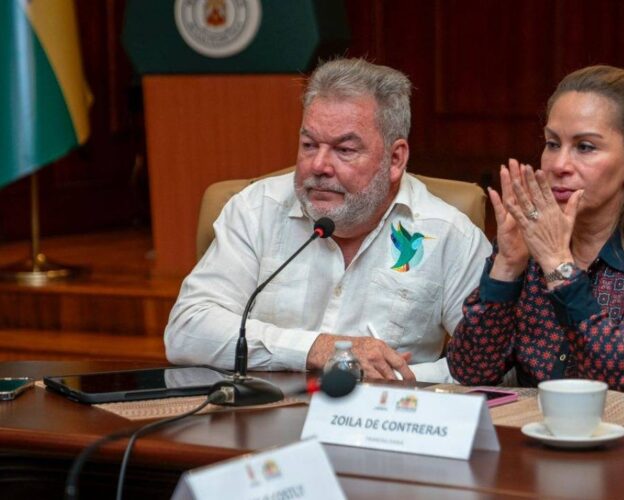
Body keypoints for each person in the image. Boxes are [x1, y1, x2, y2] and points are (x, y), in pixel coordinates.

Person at [164, 58, 491, 383]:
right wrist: (317, 349)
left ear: (395, 159)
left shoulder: (447, 234)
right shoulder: (256, 210)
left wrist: (392, 378)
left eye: (344, 150)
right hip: (264, 418)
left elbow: (487, 365)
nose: (318, 165)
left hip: (384, 422)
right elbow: (187, 330)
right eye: (309, 145)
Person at [446, 65, 624, 410]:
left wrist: (558, 264)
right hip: (548, 441)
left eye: (585, 147)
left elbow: (620, 383)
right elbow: (470, 371)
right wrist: (507, 267)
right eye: (552, 144)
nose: (558, 164)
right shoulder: (532, 241)